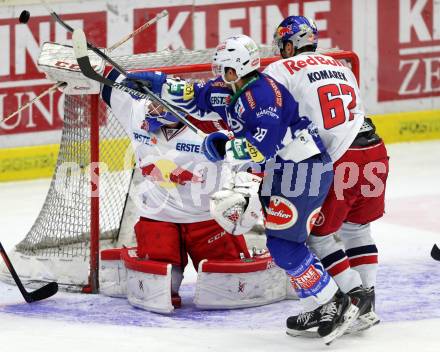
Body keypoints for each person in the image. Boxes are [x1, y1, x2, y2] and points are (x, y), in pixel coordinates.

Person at [131, 34, 360, 344]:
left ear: (234, 70)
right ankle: (321, 304)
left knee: (285, 246)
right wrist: (155, 84)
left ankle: (337, 302)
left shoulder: (264, 97)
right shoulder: (233, 89)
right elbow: (195, 96)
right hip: (284, 171)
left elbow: (263, 146)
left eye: (222, 70)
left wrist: (223, 146)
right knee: (283, 245)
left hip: (303, 169)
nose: (217, 77)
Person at [264, 16, 389, 334]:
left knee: (315, 235)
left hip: (341, 155)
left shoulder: (281, 69)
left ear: (289, 44)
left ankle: (352, 298)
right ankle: (367, 301)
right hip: (374, 147)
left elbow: (267, 114)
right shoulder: (341, 66)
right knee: (357, 228)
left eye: (283, 45)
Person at [98, 67, 252, 309]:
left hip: (208, 218)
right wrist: (73, 66)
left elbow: (252, 158)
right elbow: (104, 76)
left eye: (158, 104)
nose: (151, 108)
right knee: (162, 288)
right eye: (151, 103)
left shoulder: (212, 125)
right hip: (158, 218)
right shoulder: (138, 111)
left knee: (229, 286)